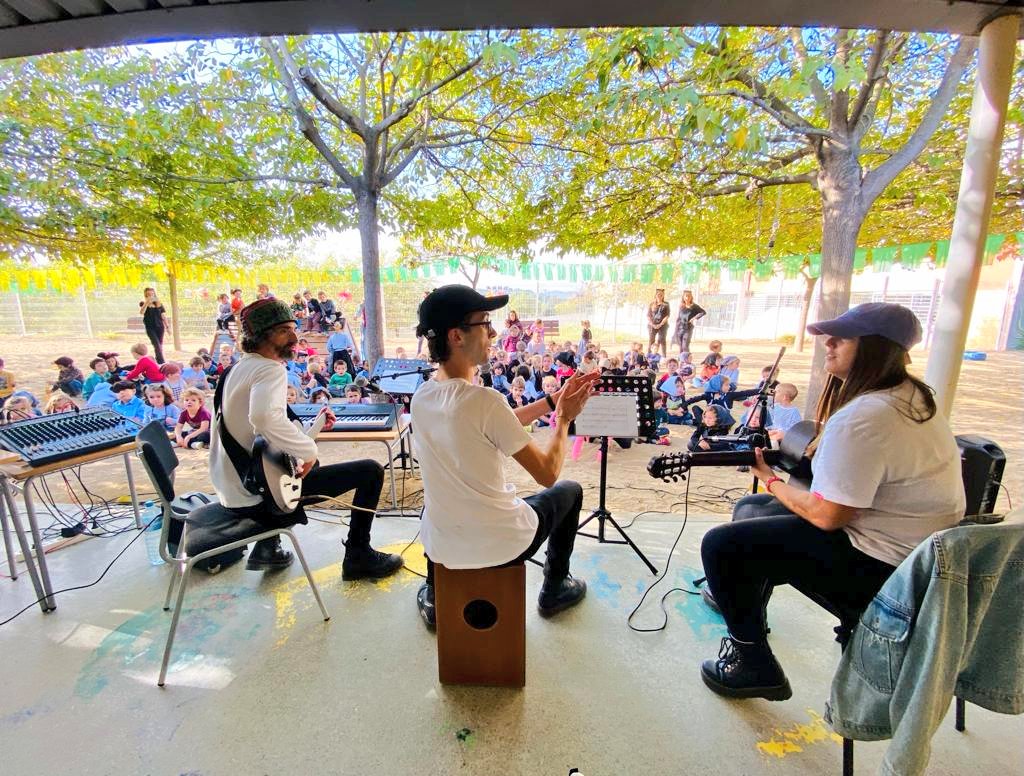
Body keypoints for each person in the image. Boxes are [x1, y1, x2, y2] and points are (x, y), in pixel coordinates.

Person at [698, 303, 966, 702]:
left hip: (886, 573)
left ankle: (752, 663)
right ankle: (751, 616)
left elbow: (828, 516)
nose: (829, 343)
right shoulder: (910, 396)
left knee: (722, 545)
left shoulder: (866, 415)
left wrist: (770, 481)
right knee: (758, 515)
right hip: (923, 559)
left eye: (843, 338)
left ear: (876, 348)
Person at [410, 285, 601, 630]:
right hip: (500, 543)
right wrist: (563, 419)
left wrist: (549, 401)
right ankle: (555, 587)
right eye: (485, 323)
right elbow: (547, 474)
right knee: (569, 491)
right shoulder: (484, 402)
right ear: (456, 336)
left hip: (444, 543)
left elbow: (492, 426)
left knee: (437, 502)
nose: (494, 332)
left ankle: (437, 594)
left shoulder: (422, 396)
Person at [209, 298, 402, 576]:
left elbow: (262, 437)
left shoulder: (234, 370)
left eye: (293, 328)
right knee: (370, 471)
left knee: (300, 466)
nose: (294, 336)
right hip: (257, 498)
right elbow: (264, 418)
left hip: (233, 488)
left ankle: (268, 547)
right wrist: (309, 451)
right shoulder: (269, 368)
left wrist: (313, 427)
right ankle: (359, 556)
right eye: (284, 330)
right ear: (262, 335)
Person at [139, 287, 169, 364]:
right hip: (150, 328)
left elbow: (163, 316)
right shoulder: (143, 303)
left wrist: (167, 327)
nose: (151, 296)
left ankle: (158, 361)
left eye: (152, 294)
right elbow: (142, 312)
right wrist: (147, 302)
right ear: (146, 295)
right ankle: (162, 362)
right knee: (157, 345)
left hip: (160, 327)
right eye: (148, 294)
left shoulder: (159, 304)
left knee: (160, 346)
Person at [673, 290, 706, 356]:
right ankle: (681, 360)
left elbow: (703, 312)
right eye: (686, 296)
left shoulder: (694, 306)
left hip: (688, 328)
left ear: (691, 297)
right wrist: (676, 330)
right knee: (681, 346)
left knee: (685, 345)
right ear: (683, 297)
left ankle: (687, 359)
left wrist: (694, 318)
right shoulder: (681, 306)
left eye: (689, 296)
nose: (687, 298)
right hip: (680, 327)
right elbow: (679, 318)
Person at [647, 288, 671, 358]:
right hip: (652, 325)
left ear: (663, 296)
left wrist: (660, 324)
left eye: (661, 295)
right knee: (651, 340)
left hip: (663, 326)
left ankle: (663, 357)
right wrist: (652, 324)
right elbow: (648, 315)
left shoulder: (666, 304)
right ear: (655, 295)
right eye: (658, 294)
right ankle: (649, 355)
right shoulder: (651, 304)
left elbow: (667, 315)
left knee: (662, 340)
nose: (659, 296)